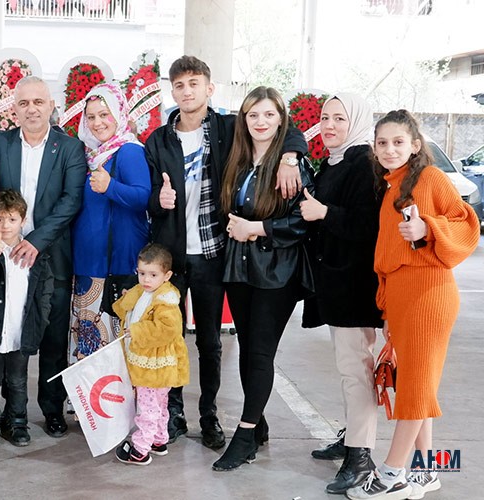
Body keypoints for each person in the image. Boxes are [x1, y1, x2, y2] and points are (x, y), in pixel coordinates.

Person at [145, 56, 307, 449]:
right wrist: (159, 199)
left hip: (214, 252)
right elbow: (149, 201)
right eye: (180, 85)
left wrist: (290, 157)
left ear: (209, 88)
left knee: (210, 343)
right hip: (171, 257)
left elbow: (283, 128)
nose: (188, 91)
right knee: (169, 337)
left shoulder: (227, 127)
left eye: (195, 83)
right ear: (173, 91)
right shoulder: (158, 140)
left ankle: (209, 415)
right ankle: (173, 414)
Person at [346, 110, 479, 500]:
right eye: (382, 143)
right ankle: (427, 470)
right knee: (416, 383)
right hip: (404, 298)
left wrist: (428, 229)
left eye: (398, 142)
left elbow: (466, 224)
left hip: (428, 294)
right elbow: (388, 254)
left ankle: (393, 474)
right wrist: (388, 311)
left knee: (415, 388)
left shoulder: (431, 178)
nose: (389, 149)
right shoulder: (393, 186)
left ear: (415, 145)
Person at [0, 76, 87, 438]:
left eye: (39, 101)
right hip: (4, 259)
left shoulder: (70, 148)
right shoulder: (0, 142)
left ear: (52, 106)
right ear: (13, 109)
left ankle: (51, 409)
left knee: (51, 337)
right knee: (5, 332)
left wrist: (35, 240)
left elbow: (71, 202)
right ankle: (7, 413)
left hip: (50, 256)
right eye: (23, 103)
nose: (31, 108)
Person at [213, 86, 315, 471]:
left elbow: (303, 220)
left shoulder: (292, 165)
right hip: (239, 269)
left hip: (277, 272)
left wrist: (257, 228)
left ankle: (244, 435)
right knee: (247, 349)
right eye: (253, 115)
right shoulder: (237, 159)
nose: (261, 122)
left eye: (269, 115)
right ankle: (259, 423)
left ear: (281, 120)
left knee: (260, 352)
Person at [299, 93, 382, 494]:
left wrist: (325, 213)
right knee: (350, 369)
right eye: (325, 117)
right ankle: (353, 436)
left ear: (358, 122)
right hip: (338, 283)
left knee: (357, 373)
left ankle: (360, 456)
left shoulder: (364, 164)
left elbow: (370, 227)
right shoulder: (337, 161)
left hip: (356, 287)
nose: (329, 125)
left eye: (339, 119)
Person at [70, 83, 150, 364]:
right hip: (87, 265)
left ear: (119, 114)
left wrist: (111, 186)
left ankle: (114, 406)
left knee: (116, 341)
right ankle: (87, 404)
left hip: (118, 264)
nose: (97, 123)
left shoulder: (128, 151)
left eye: (104, 115)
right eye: (91, 117)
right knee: (88, 335)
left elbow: (143, 197)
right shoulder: (88, 155)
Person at [0, 190, 53, 448]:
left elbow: (45, 289)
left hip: (21, 330)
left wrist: (42, 319)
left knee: (18, 380)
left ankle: (17, 422)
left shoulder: (34, 254)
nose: (6, 225)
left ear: (23, 221)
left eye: (12, 219)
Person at [112, 243, 189, 466]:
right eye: (142, 273)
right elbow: (126, 308)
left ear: (167, 276)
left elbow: (167, 330)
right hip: (148, 363)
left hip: (155, 365)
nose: (146, 279)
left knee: (147, 407)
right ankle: (158, 439)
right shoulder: (143, 292)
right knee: (158, 404)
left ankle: (140, 449)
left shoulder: (166, 301)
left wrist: (136, 330)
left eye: (153, 275)